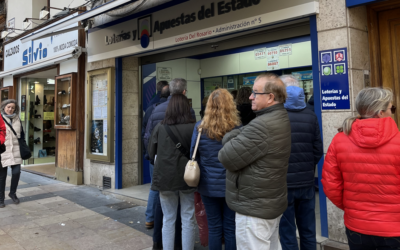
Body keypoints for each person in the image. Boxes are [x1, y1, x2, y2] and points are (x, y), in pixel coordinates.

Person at [218, 73, 291, 250]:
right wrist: (239, 135)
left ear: (270, 97)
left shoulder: (262, 125)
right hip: (266, 203)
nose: (250, 96)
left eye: (255, 93)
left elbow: (226, 157)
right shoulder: (278, 117)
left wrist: (230, 136)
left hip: (254, 209)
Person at [322, 87, 400, 250]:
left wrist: (353, 207)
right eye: (391, 108)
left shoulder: (339, 140)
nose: (392, 112)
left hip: (357, 226)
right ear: (380, 112)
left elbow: (330, 184)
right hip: (394, 229)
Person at [190, 89, 240, 250]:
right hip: (231, 185)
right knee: (231, 228)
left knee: (214, 227)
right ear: (230, 105)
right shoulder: (237, 127)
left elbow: (193, 154)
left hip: (208, 185)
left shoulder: (199, 128)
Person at [279, 75, 323, 250]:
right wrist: (308, 167)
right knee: (308, 230)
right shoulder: (311, 115)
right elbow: (318, 149)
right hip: (306, 182)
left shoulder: (278, 116)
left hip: (284, 184)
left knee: (287, 231)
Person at [148, 94, 197, 250]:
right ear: (186, 109)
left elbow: (151, 153)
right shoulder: (194, 127)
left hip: (165, 178)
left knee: (168, 219)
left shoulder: (160, 127)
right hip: (187, 179)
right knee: (188, 218)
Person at [143, 82, 170, 230]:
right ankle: (163, 217)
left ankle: (150, 218)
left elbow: (145, 134)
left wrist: (149, 153)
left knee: (154, 186)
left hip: (154, 154)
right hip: (169, 155)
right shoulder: (172, 109)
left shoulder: (149, 108)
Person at [0, 100, 22, 207]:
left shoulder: (17, 119)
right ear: (4, 107)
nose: (10, 109)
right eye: (8, 107)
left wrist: (24, 147)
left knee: (16, 173)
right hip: (3, 150)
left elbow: (21, 135)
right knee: (2, 176)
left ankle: (12, 193)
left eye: (13, 107)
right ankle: (0, 199)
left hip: (16, 151)